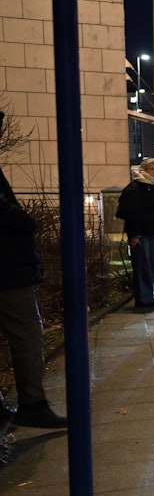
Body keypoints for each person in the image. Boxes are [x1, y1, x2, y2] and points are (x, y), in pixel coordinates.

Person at [0, 120, 68, 430]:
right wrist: (24, 220)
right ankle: (32, 402)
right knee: (27, 331)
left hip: (9, 265)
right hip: (6, 267)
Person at [118, 157, 154, 308]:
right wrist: (134, 234)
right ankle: (144, 297)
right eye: (151, 169)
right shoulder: (135, 188)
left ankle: (152, 293)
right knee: (143, 265)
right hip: (141, 233)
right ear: (144, 170)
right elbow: (130, 213)